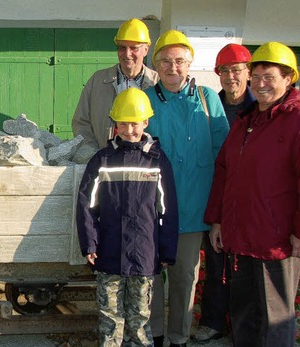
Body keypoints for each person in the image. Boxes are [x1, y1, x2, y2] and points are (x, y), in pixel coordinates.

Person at [204, 41, 300, 347]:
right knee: (243, 313)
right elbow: (223, 172)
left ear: (288, 79)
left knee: (275, 317)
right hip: (240, 239)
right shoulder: (245, 121)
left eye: (269, 77)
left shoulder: (296, 120)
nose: (260, 84)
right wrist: (217, 221)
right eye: (256, 77)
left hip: (276, 241)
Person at [145, 30, 229, 347]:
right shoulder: (146, 100)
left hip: (194, 208)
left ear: (190, 63)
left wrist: (219, 210)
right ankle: (154, 334)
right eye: (165, 60)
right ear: (157, 64)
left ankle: (178, 337)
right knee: (151, 277)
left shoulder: (208, 100)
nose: (172, 67)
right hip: (153, 208)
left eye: (179, 60)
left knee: (184, 278)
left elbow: (224, 156)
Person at [76, 88, 179, 347]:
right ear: (115, 123)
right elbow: (86, 206)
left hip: (144, 253)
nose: (129, 129)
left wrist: (166, 251)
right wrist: (89, 244)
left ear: (146, 122)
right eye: (123, 122)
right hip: (109, 251)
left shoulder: (156, 160)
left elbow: (167, 209)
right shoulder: (103, 160)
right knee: (110, 315)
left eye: (134, 123)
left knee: (140, 317)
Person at [192, 43, 254, 344]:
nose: (231, 77)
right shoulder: (209, 108)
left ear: (249, 73)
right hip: (218, 194)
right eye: (225, 71)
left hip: (254, 199)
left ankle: (246, 325)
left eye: (237, 70)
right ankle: (214, 320)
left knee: (250, 266)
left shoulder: (262, 108)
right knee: (217, 262)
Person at [72, 18, 159, 152]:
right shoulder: (97, 81)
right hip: (103, 160)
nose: (127, 54)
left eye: (134, 48)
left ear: (146, 49)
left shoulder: (157, 84)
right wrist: (92, 151)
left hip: (144, 163)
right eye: (122, 48)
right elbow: (81, 122)